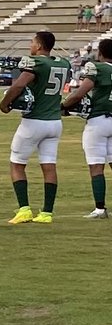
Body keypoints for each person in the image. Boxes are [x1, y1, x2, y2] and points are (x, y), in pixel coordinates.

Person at [0, 30, 71, 224]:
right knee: (49, 165)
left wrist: (5, 103)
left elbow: (18, 85)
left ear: (39, 45)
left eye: (32, 42)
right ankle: (47, 212)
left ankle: (24, 209)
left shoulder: (36, 62)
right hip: (55, 122)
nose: (30, 45)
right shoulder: (63, 63)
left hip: (34, 121)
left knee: (17, 163)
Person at [62, 37, 112, 220]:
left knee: (96, 165)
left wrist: (64, 106)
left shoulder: (97, 67)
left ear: (100, 53)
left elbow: (81, 92)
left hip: (99, 120)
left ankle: (100, 208)